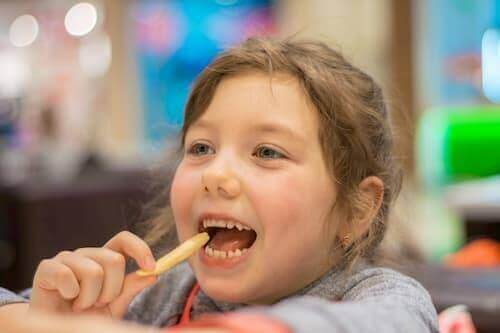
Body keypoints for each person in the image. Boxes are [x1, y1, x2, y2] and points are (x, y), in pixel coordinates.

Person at [0, 37, 439, 333]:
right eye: (201, 148)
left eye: (267, 152)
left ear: (358, 210)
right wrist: (45, 315)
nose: (215, 175)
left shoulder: (388, 301)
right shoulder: (162, 293)